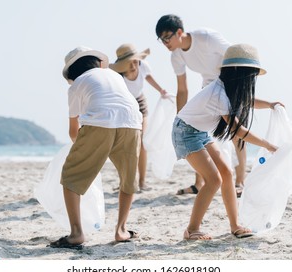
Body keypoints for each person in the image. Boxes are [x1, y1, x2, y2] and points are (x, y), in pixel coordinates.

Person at [171, 43, 281, 239]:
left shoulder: (227, 88)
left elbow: (248, 100)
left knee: (226, 173)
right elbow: (238, 131)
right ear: (239, 72)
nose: (252, 79)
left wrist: (270, 104)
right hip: (185, 132)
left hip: (199, 132)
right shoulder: (219, 94)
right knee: (213, 180)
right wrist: (268, 145)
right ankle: (192, 230)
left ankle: (235, 225)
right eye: (251, 74)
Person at [49, 46, 142, 249]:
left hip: (101, 123)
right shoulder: (114, 75)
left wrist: (82, 153)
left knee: (71, 176)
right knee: (128, 180)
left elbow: (74, 130)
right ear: (98, 62)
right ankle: (121, 230)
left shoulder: (77, 85)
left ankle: (76, 233)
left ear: (72, 72)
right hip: (133, 123)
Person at [156, 14, 251, 197]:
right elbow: (182, 90)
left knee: (235, 131)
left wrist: (239, 89)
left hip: (230, 83)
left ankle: (240, 182)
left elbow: (235, 56)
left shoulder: (206, 37)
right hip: (208, 88)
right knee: (198, 131)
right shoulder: (176, 56)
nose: (165, 42)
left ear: (179, 32)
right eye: (162, 39)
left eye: (167, 37)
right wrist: (181, 118)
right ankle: (199, 183)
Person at [110, 43, 168, 191]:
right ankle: (125, 181)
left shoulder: (143, 65)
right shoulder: (117, 75)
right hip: (123, 105)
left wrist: (161, 90)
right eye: (131, 62)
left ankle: (142, 182)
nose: (135, 64)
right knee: (125, 144)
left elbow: (149, 78)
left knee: (142, 142)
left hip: (140, 102)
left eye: (136, 60)